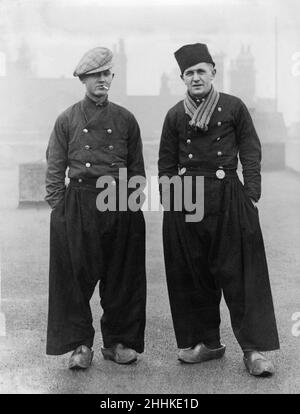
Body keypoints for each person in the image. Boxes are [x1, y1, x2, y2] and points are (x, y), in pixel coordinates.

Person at [158, 43, 280, 376]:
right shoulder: (174, 115)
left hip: (228, 197)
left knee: (240, 275)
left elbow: (251, 152)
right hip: (187, 201)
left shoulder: (234, 107)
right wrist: (171, 205)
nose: (196, 77)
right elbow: (166, 164)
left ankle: (253, 350)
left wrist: (251, 195)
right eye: (189, 73)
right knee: (195, 277)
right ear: (182, 78)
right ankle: (207, 343)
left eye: (201, 71)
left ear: (214, 71)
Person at [45, 47, 146, 369]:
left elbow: (137, 169)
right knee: (75, 278)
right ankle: (79, 346)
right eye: (96, 75)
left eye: (107, 74)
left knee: (122, 277)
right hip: (80, 202)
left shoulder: (126, 119)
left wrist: (131, 206)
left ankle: (118, 343)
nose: (103, 80)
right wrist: (61, 210)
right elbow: (54, 169)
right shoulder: (68, 119)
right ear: (83, 79)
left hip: (119, 202)